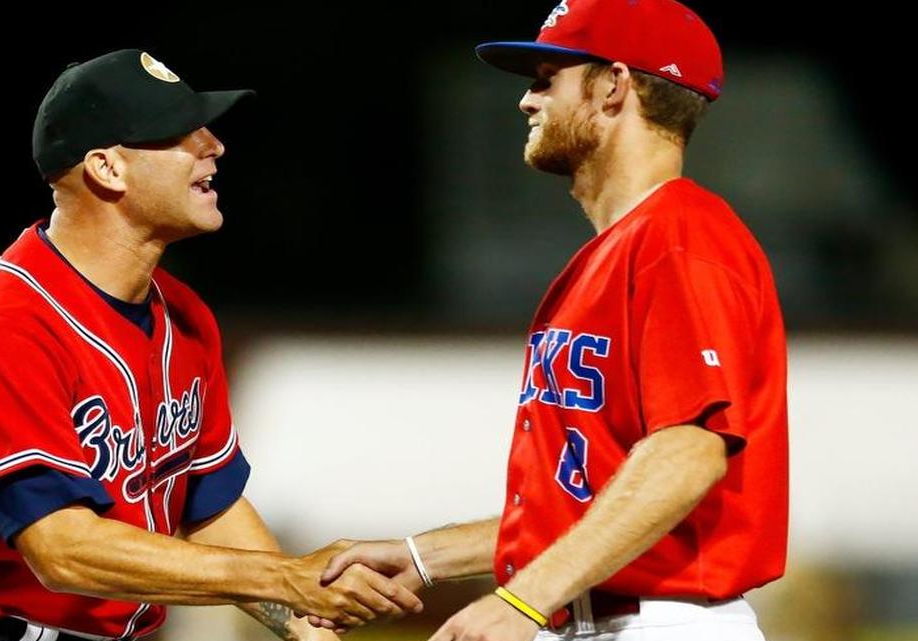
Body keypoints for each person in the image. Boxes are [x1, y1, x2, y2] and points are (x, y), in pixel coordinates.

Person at [0, 48, 422, 641]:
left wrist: (304, 624)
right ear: (107, 169)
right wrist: (281, 577)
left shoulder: (183, 314)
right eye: (178, 134)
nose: (212, 145)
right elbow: (62, 549)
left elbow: (204, 502)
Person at [318, 1, 788, 640]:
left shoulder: (679, 239)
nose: (527, 102)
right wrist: (424, 557)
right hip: (594, 617)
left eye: (546, 79)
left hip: (661, 624)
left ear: (615, 86)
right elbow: (581, 505)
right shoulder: (624, 248)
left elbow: (688, 451)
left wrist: (522, 600)